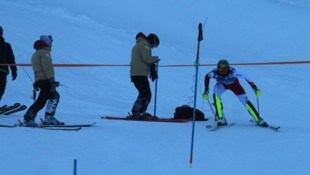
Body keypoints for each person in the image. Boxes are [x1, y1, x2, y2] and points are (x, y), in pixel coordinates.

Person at [203, 59, 268, 127]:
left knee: (245, 101)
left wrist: (254, 86)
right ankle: (221, 118)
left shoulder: (233, 72)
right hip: (221, 85)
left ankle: (258, 119)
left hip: (235, 85)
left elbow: (246, 76)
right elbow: (206, 77)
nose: (222, 71)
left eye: (225, 69)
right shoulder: (214, 73)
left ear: (228, 68)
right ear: (218, 68)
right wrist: (206, 90)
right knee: (216, 95)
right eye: (220, 69)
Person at [23, 35, 63, 127]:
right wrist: (52, 82)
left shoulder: (36, 53)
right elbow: (47, 68)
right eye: (50, 42)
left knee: (51, 97)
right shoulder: (44, 53)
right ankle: (29, 118)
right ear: (46, 43)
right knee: (43, 100)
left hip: (41, 80)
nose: (51, 44)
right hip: (45, 80)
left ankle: (45, 118)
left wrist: (37, 81)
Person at [129, 32, 160, 120]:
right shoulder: (145, 45)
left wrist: (151, 68)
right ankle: (138, 112)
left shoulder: (139, 44)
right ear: (152, 41)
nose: (153, 47)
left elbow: (143, 60)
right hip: (140, 74)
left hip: (136, 73)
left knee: (144, 93)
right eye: (155, 45)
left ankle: (138, 111)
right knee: (146, 94)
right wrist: (155, 59)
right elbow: (147, 58)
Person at [0, 26, 17, 101]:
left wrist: (14, 70)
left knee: (1, 90)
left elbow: (11, 59)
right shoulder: (6, 45)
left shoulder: (6, 45)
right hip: (3, 71)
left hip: (2, 71)